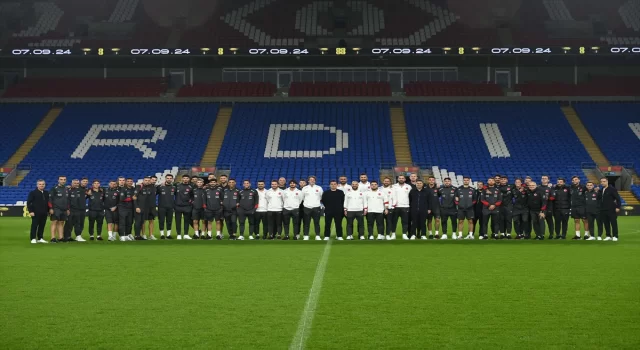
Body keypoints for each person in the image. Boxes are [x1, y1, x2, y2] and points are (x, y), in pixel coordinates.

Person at [301, 176, 323, 240]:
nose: (312, 181)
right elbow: (302, 198)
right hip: (307, 207)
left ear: (315, 181)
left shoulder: (319, 188)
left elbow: (321, 197)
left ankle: (317, 235)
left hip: (316, 207)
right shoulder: (305, 188)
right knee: (306, 222)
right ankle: (306, 235)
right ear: (308, 181)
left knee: (317, 222)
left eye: (313, 180)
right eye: (310, 180)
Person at [27, 179, 49, 244]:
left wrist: (48, 210)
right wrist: (31, 211)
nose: (41, 185)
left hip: (44, 212)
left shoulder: (46, 193)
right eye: (40, 184)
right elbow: (29, 203)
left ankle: (40, 238)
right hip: (36, 212)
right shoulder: (33, 193)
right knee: (34, 225)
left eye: (43, 184)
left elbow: (48, 203)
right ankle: (33, 238)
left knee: (42, 226)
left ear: (44, 185)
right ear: (37, 185)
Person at [48, 176, 69, 243]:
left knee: (61, 222)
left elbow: (68, 200)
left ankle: (60, 237)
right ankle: (53, 238)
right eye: (61, 179)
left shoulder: (66, 189)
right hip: (56, 208)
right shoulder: (54, 188)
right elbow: (50, 199)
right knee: (54, 222)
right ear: (58, 180)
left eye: (64, 179)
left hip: (64, 209)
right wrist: (50, 208)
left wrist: (68, 209)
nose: (63, 181)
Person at [391, 175, 412, 239]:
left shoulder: (408, 187)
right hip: (395, 207)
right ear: (398, 179)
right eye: (400, 178)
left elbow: (411, 196)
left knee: (405, 221)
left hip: (405, 206)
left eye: (402, 178)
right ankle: (393, 234)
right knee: (394, 221)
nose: (401, 179)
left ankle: (404, 234)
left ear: (405, 179)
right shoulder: (393, 186)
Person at [175, 175, 193, 240]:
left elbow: (193, 196)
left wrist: (191, 201)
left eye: (187, 178)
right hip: (178, 206)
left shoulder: (191, 186)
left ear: (189, 179)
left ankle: (186, 234)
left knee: (187, 221)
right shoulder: (177, 186)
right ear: (182, 179)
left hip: (187, 206)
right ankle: (178, 234)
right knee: (178, 221)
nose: (185, 179)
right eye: (184, 178)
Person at [157, 174, 175, 239]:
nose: (169, 179)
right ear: (165, 178)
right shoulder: (160, 187)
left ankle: (168, 235)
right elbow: (153, 195)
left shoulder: (174, 187)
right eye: (168, 178)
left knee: (169, 221)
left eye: (170, 178)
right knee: (161, 221)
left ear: (172, 179)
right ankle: (162, 234)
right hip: (161, 207)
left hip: (170, 207)